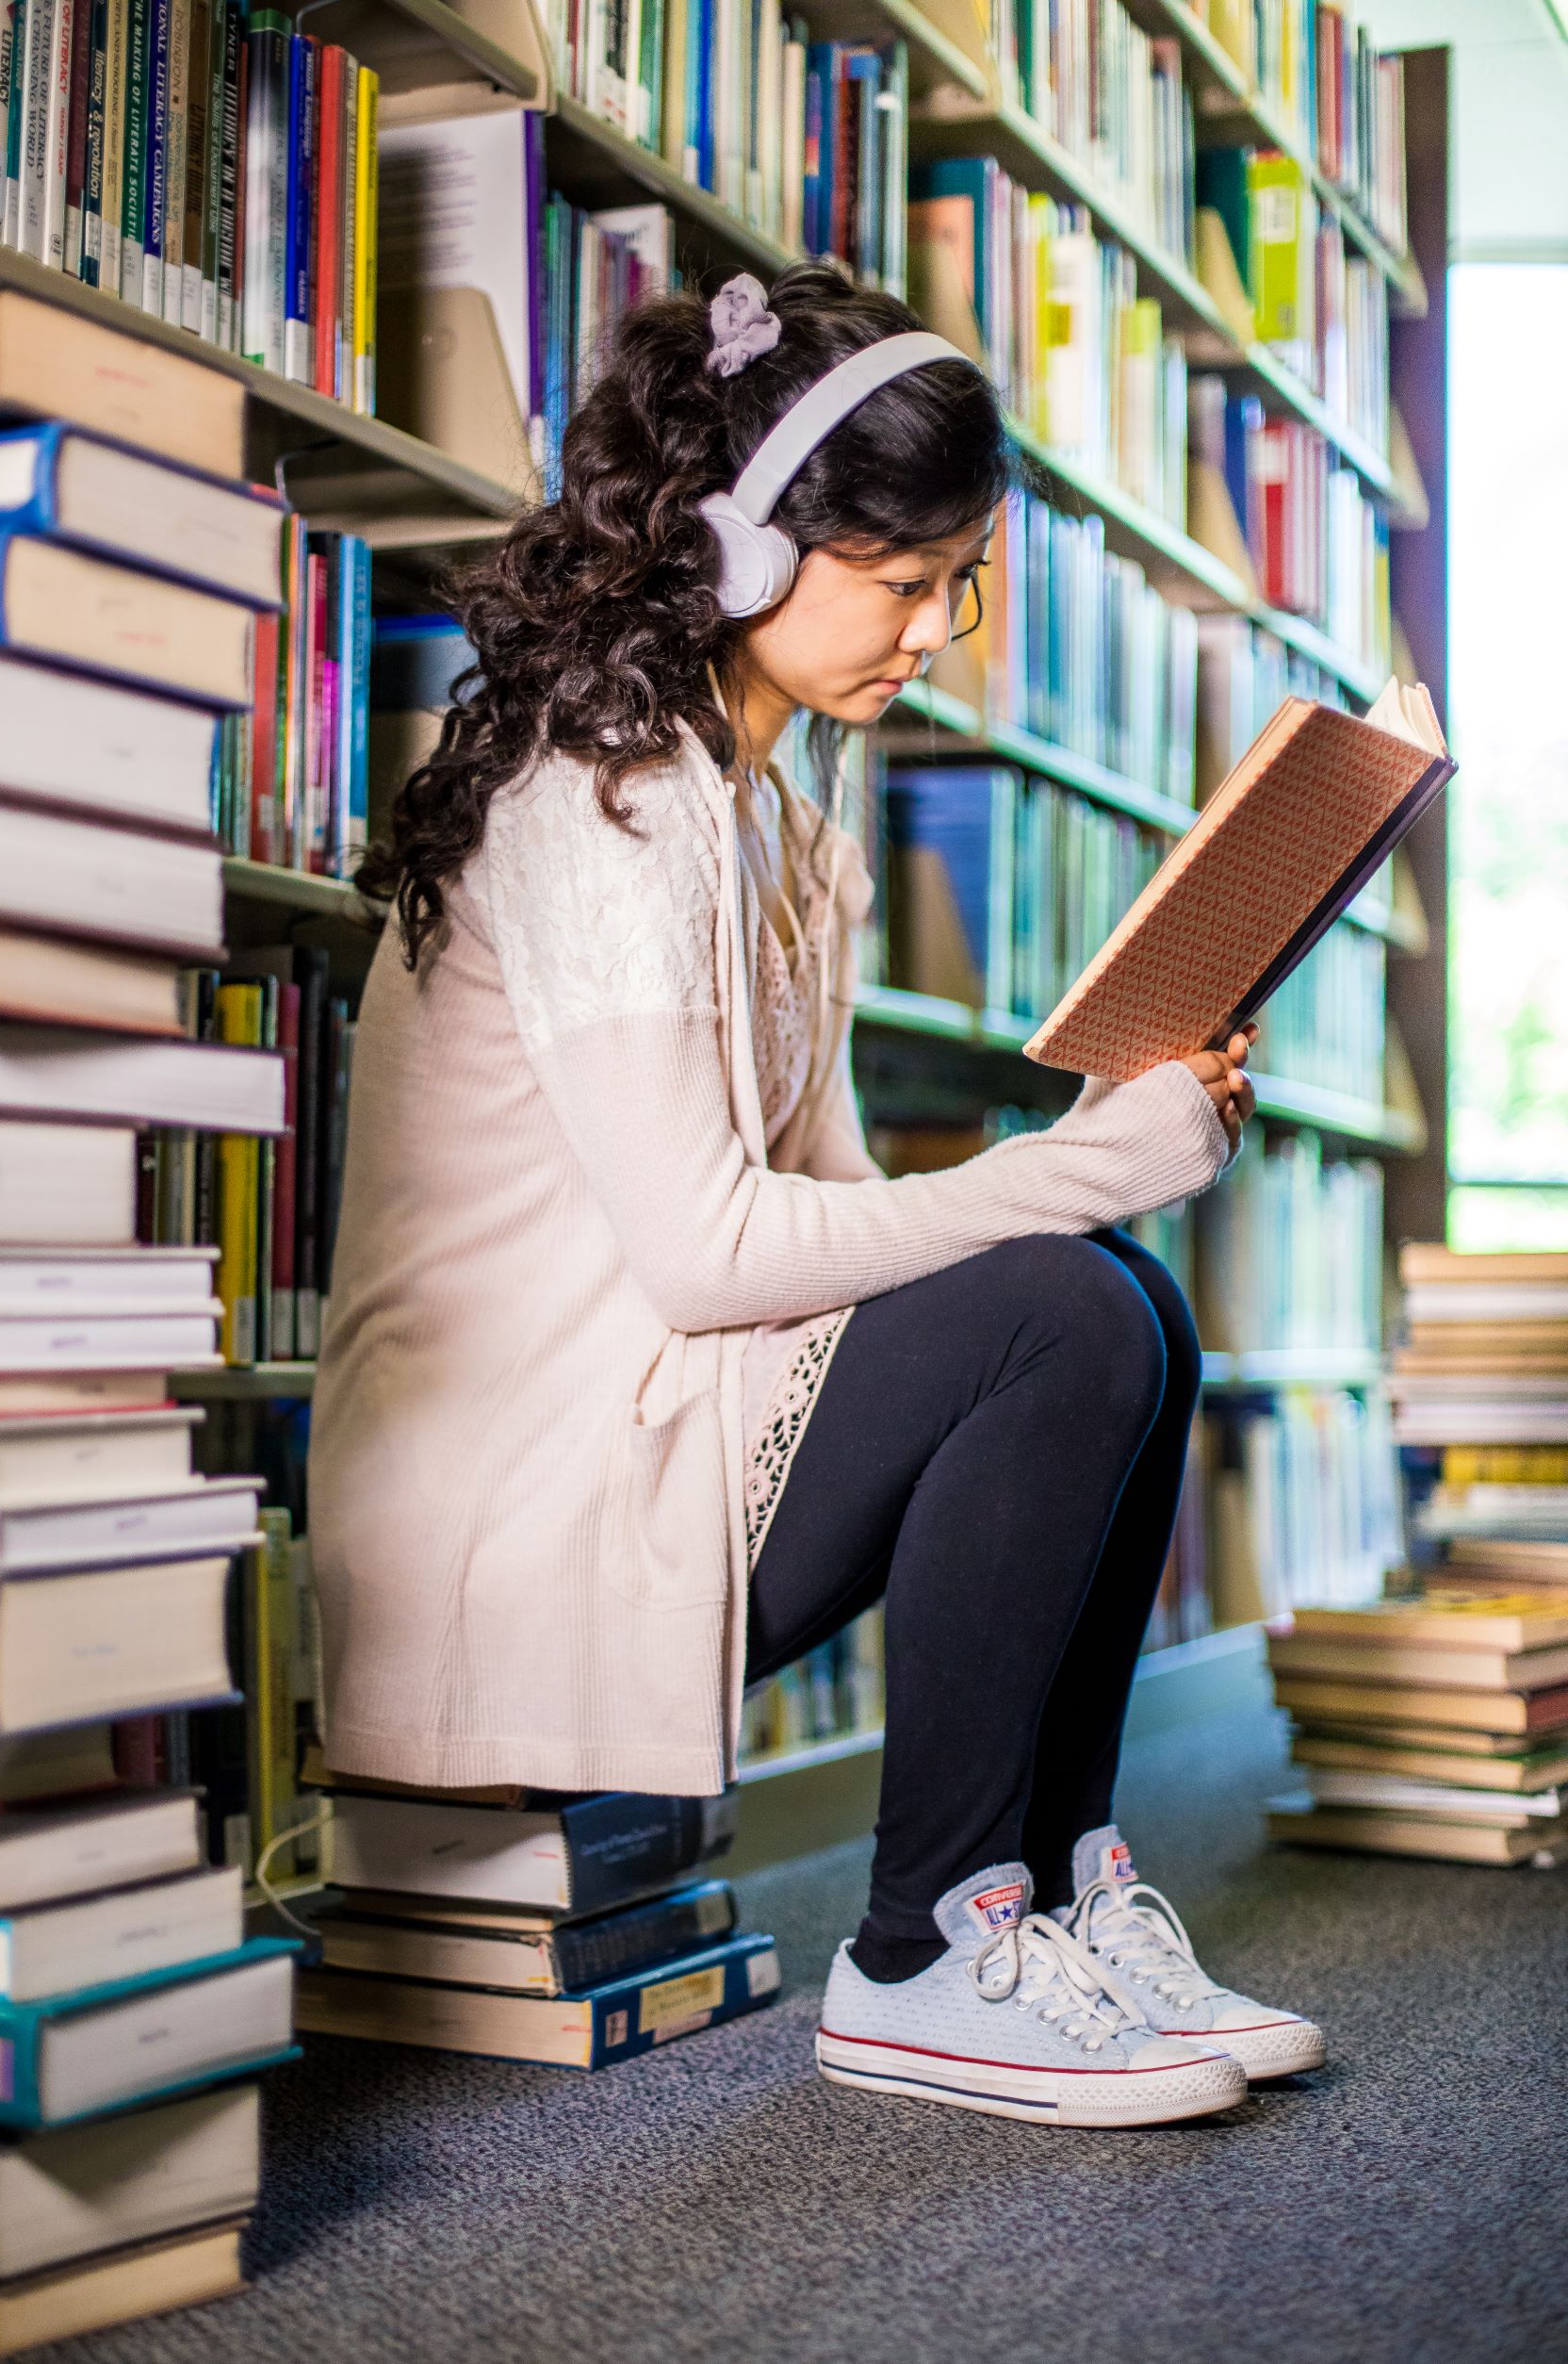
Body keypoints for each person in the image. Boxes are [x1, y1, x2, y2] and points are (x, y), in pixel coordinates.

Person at [313, 261, 1322, 2132]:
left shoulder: (781, 820)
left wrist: (1079, 1165)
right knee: (1056, 1296)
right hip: (518, 1482)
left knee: (1117, 1297)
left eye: (958, 581)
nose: (937, 629)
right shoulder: (597, 806)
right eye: (902, 576)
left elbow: (841, 1213)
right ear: (743, 551)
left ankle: (1052, 1893)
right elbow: (712, 1258)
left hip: (659, 1417)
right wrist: (1055, 1174)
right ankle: (924, 1954)